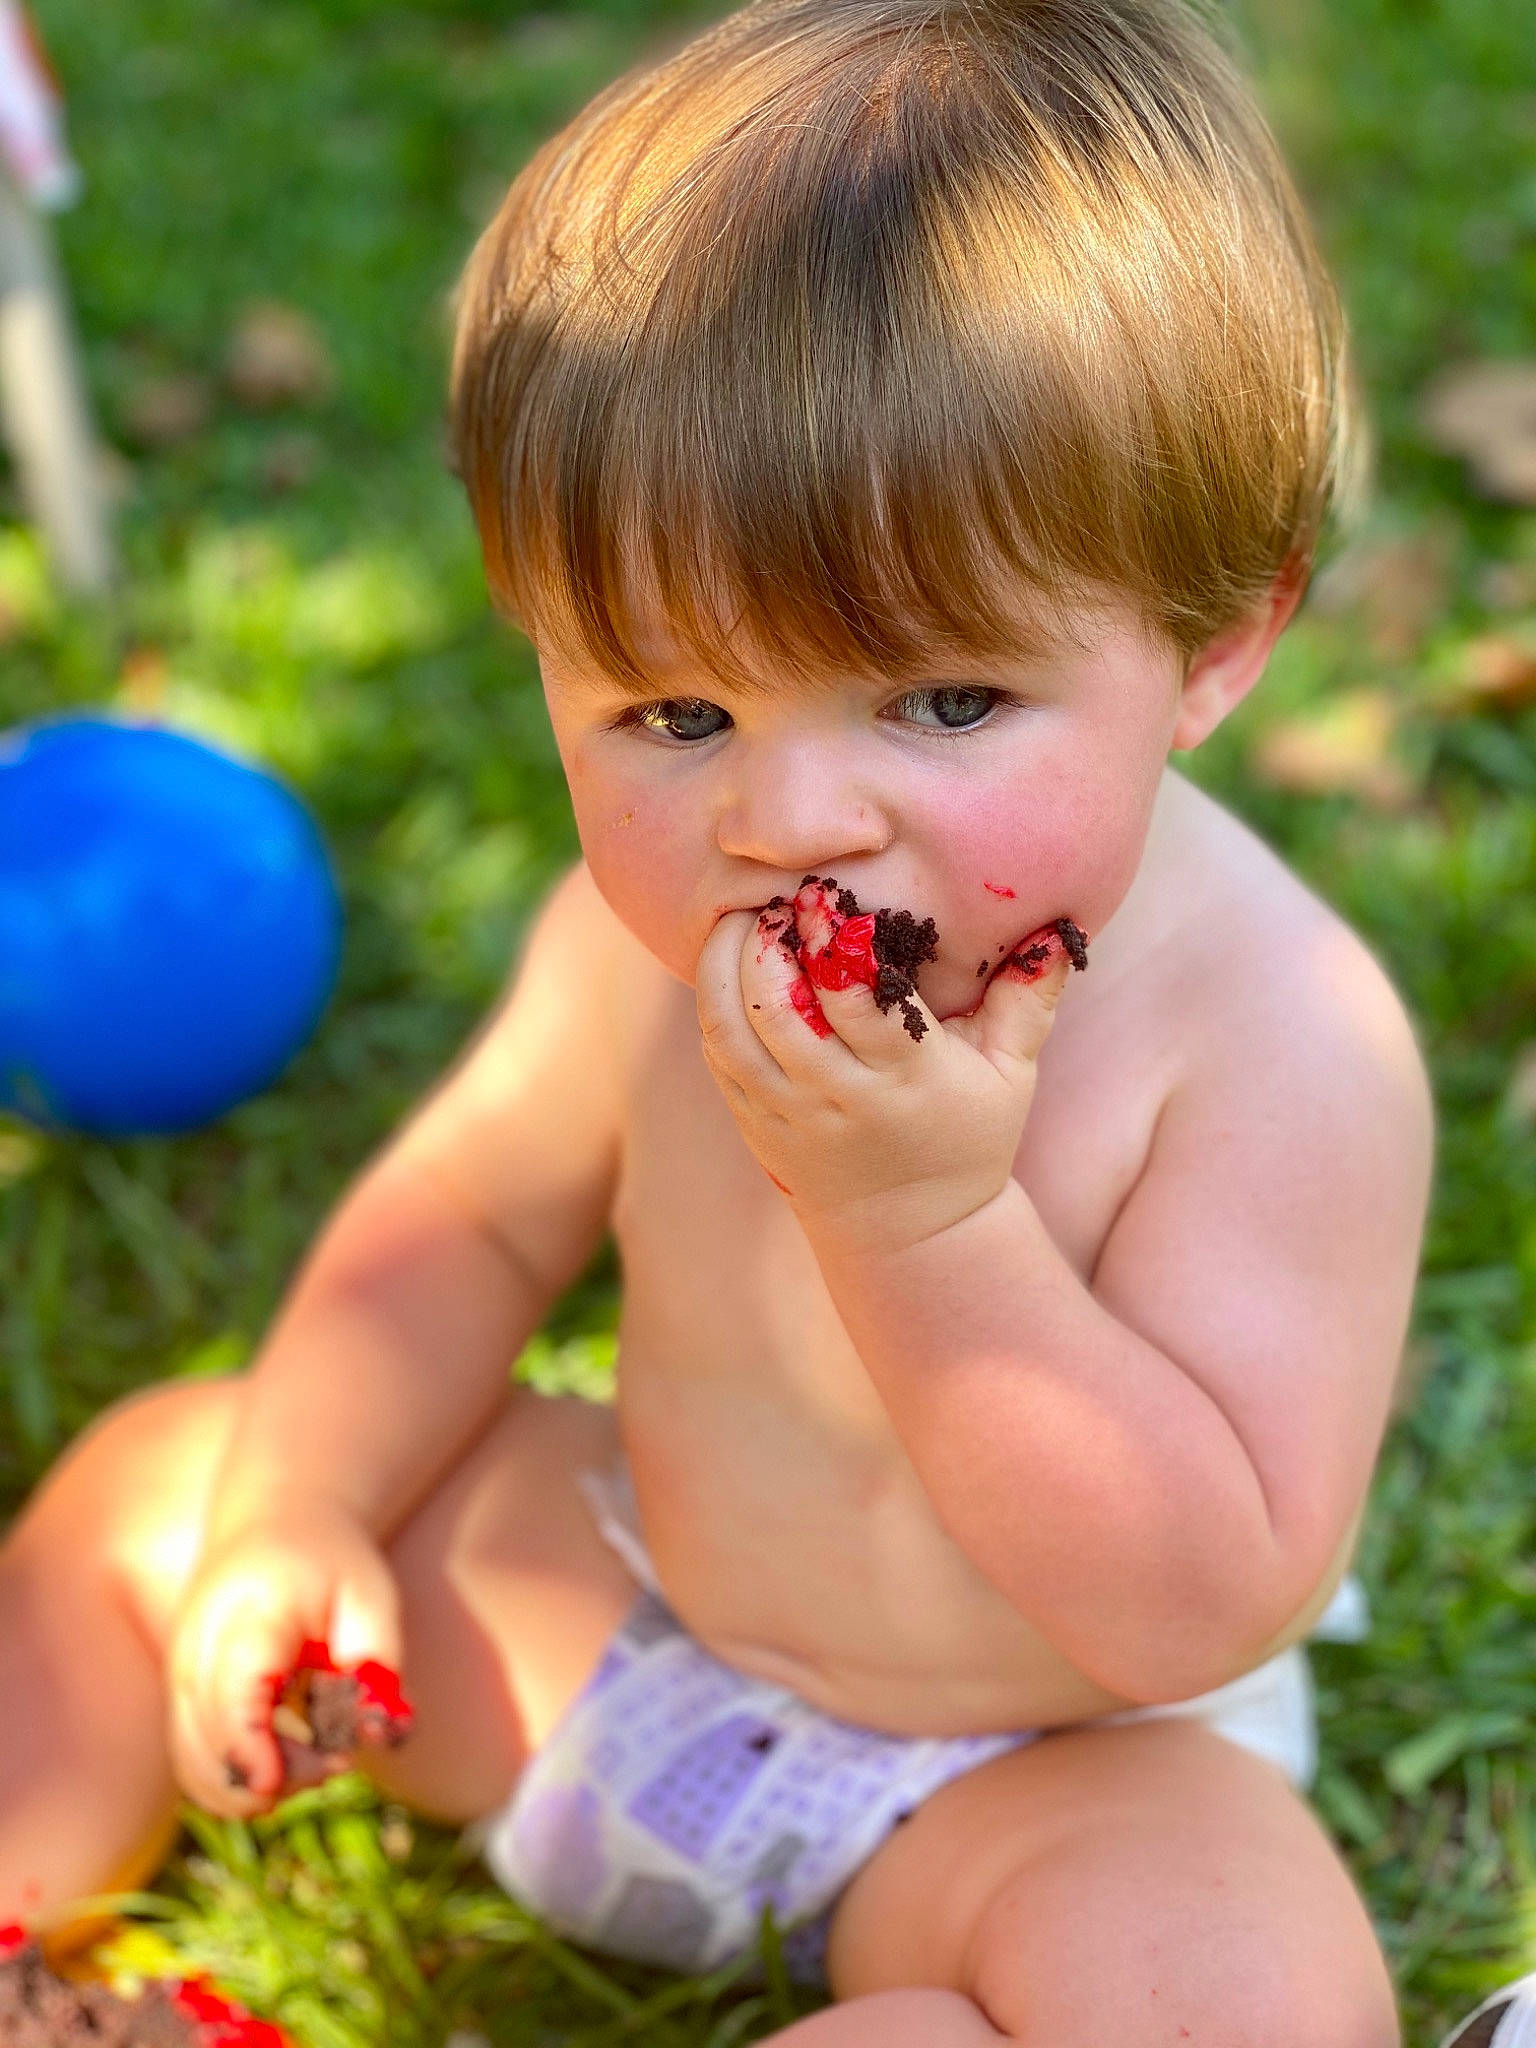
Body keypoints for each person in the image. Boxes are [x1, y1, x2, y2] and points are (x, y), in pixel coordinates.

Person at [0, 0, 1432, 2039]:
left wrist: (922, 1225)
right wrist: (301, 1509)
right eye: (675, 714)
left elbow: (1196, 1594)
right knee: (167, 1481)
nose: (789, 820)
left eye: (944, 702)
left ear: (1213, 643)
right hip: (622, 1623)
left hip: (1042, 1777)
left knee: (1234, 1992)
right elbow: (470, 1223)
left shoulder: (1281, 1035)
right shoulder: (634, 929)